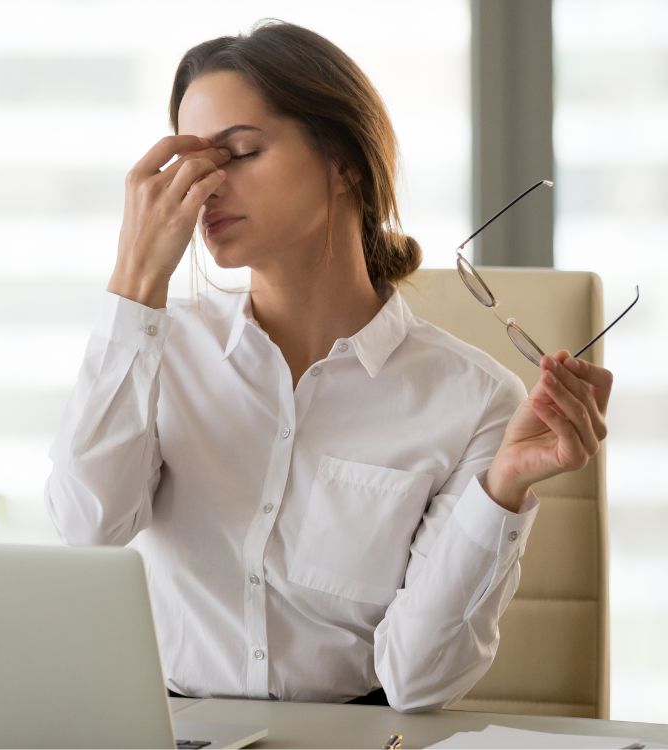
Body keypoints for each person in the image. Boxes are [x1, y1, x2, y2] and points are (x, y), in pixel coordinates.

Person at [45, 20, 613, 713]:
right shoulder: (157, 349)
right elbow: (88, 526)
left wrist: (499, 492)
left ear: (344, 162)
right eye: (191, 166)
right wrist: (134, 282)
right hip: (171, 727)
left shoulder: (473, 401)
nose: (205, 191)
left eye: (241, 152)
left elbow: (416, 681)